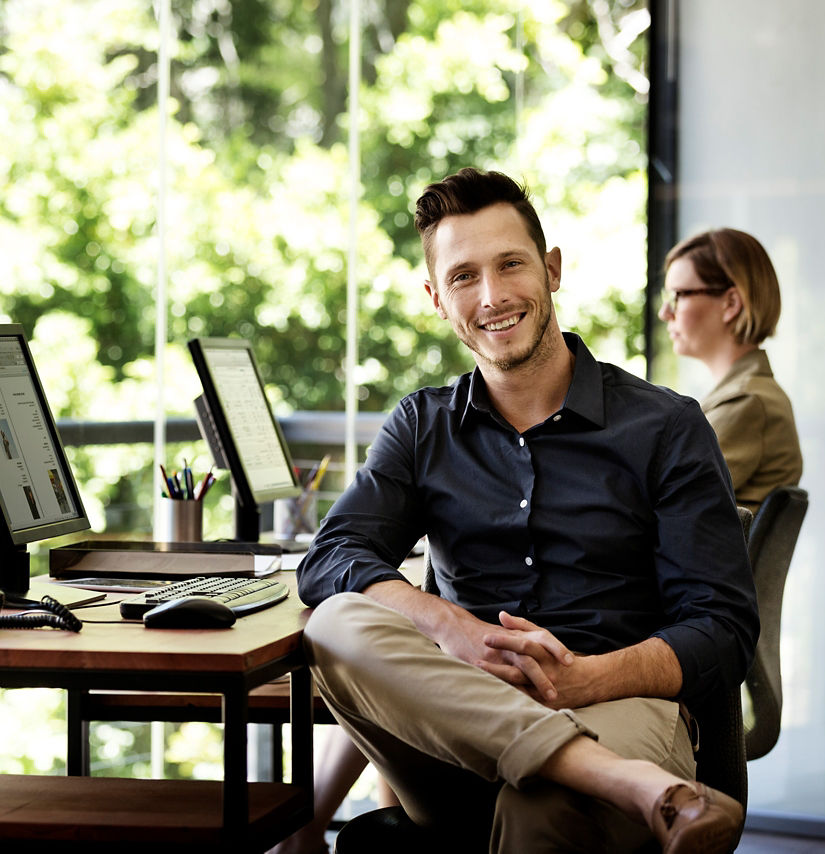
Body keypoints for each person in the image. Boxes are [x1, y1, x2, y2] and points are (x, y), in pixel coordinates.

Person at [295, 167, 758, 854]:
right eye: (463, 277)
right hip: (461, 731)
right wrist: (452, 629)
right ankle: (625, 783)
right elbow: (331, 556)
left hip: (622, 707)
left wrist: (586, 679)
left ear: (552, 270)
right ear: (435, 298)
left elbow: (722, 628)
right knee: (336, 621)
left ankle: (600, 772)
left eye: (511, 265)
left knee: (545, 809)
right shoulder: (421, 427)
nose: (492, 296)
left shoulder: (666, 428)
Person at [660, 228, 802, 510]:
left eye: (678, 295)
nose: (665, 312)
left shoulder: (747, 403)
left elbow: (663, 502)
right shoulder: (746, 396)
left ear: (731, 304)